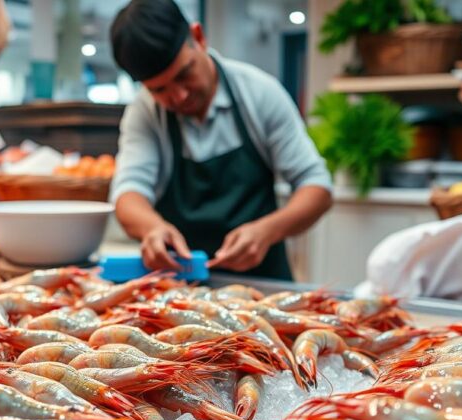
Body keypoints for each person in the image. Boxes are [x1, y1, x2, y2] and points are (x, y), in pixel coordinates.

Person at [109, 0, 333, 280]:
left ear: (199, 37)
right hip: (180, 290)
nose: (178, 96)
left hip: (263, 285)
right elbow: (128, 195)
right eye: (160, 89)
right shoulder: (145, 113)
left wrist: (267, 231)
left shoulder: (259, 93)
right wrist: (151, 228)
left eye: (184, 74)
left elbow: (317, 188)